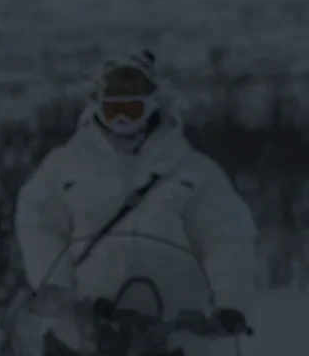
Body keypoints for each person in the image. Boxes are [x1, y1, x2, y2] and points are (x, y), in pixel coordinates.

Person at [16, 51, 256, 333]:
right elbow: (38, 223)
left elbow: (227, 234)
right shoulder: (64, 167)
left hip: (174, 330)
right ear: (96, 106)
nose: (122, 119)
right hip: (84, 326)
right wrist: (53, 284)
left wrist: (230, 302)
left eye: (131, 109)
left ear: (152, 104)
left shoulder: (192, 170)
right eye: (113, 110)